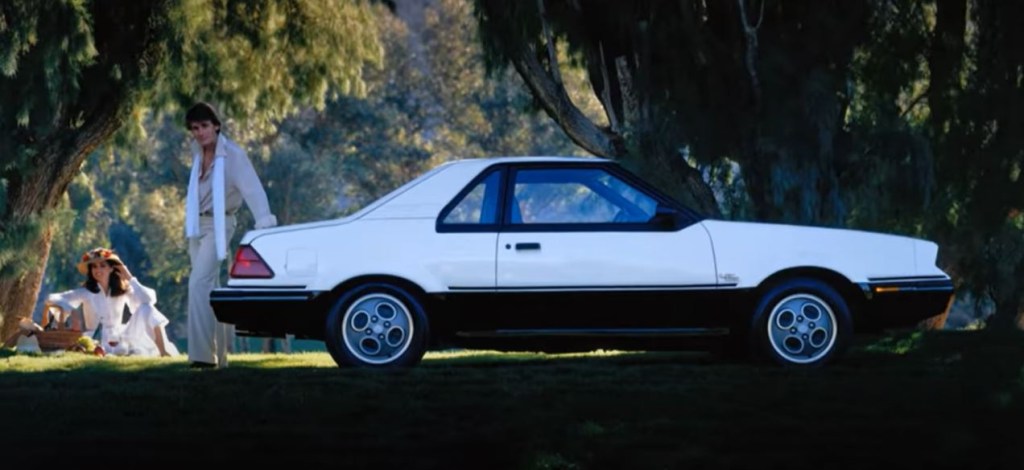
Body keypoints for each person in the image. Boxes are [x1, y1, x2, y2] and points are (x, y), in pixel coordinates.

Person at [183, 102, 277, 369]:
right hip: (195, 225)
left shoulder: (233, 155)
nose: (199, 133)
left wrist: (264, 225)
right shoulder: (197, 153)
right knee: (210, 288)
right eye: (194, 129)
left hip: (220, 224)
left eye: (203, 126)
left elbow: (253, 190)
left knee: (198, 283)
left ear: (216, 125)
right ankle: (221, 356)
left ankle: (201, 357)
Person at [45, 247, 178, 357]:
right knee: (110, 350)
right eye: (94, 267)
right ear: (91, 271)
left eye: (102, 266)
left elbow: (148, 300)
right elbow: (51, 298)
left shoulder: (123, 290)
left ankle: (163, 352)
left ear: (111, 269)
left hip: (120, 337)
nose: (98, 270)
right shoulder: (86, 292)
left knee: (147, 308)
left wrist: (129, 277)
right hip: (96, 339)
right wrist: (72, 310)